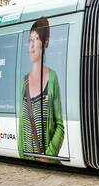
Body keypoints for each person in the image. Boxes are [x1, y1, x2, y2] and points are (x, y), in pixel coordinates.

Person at [18, 17, 65, 160]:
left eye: (36, 39)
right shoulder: (24, 81)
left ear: (45, 43)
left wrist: (49, 156)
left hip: (44, 161)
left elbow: (60, 126)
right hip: (26, 161)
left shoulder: (52, 78)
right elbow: (22, 124)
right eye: (30, 40)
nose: (31, 45)